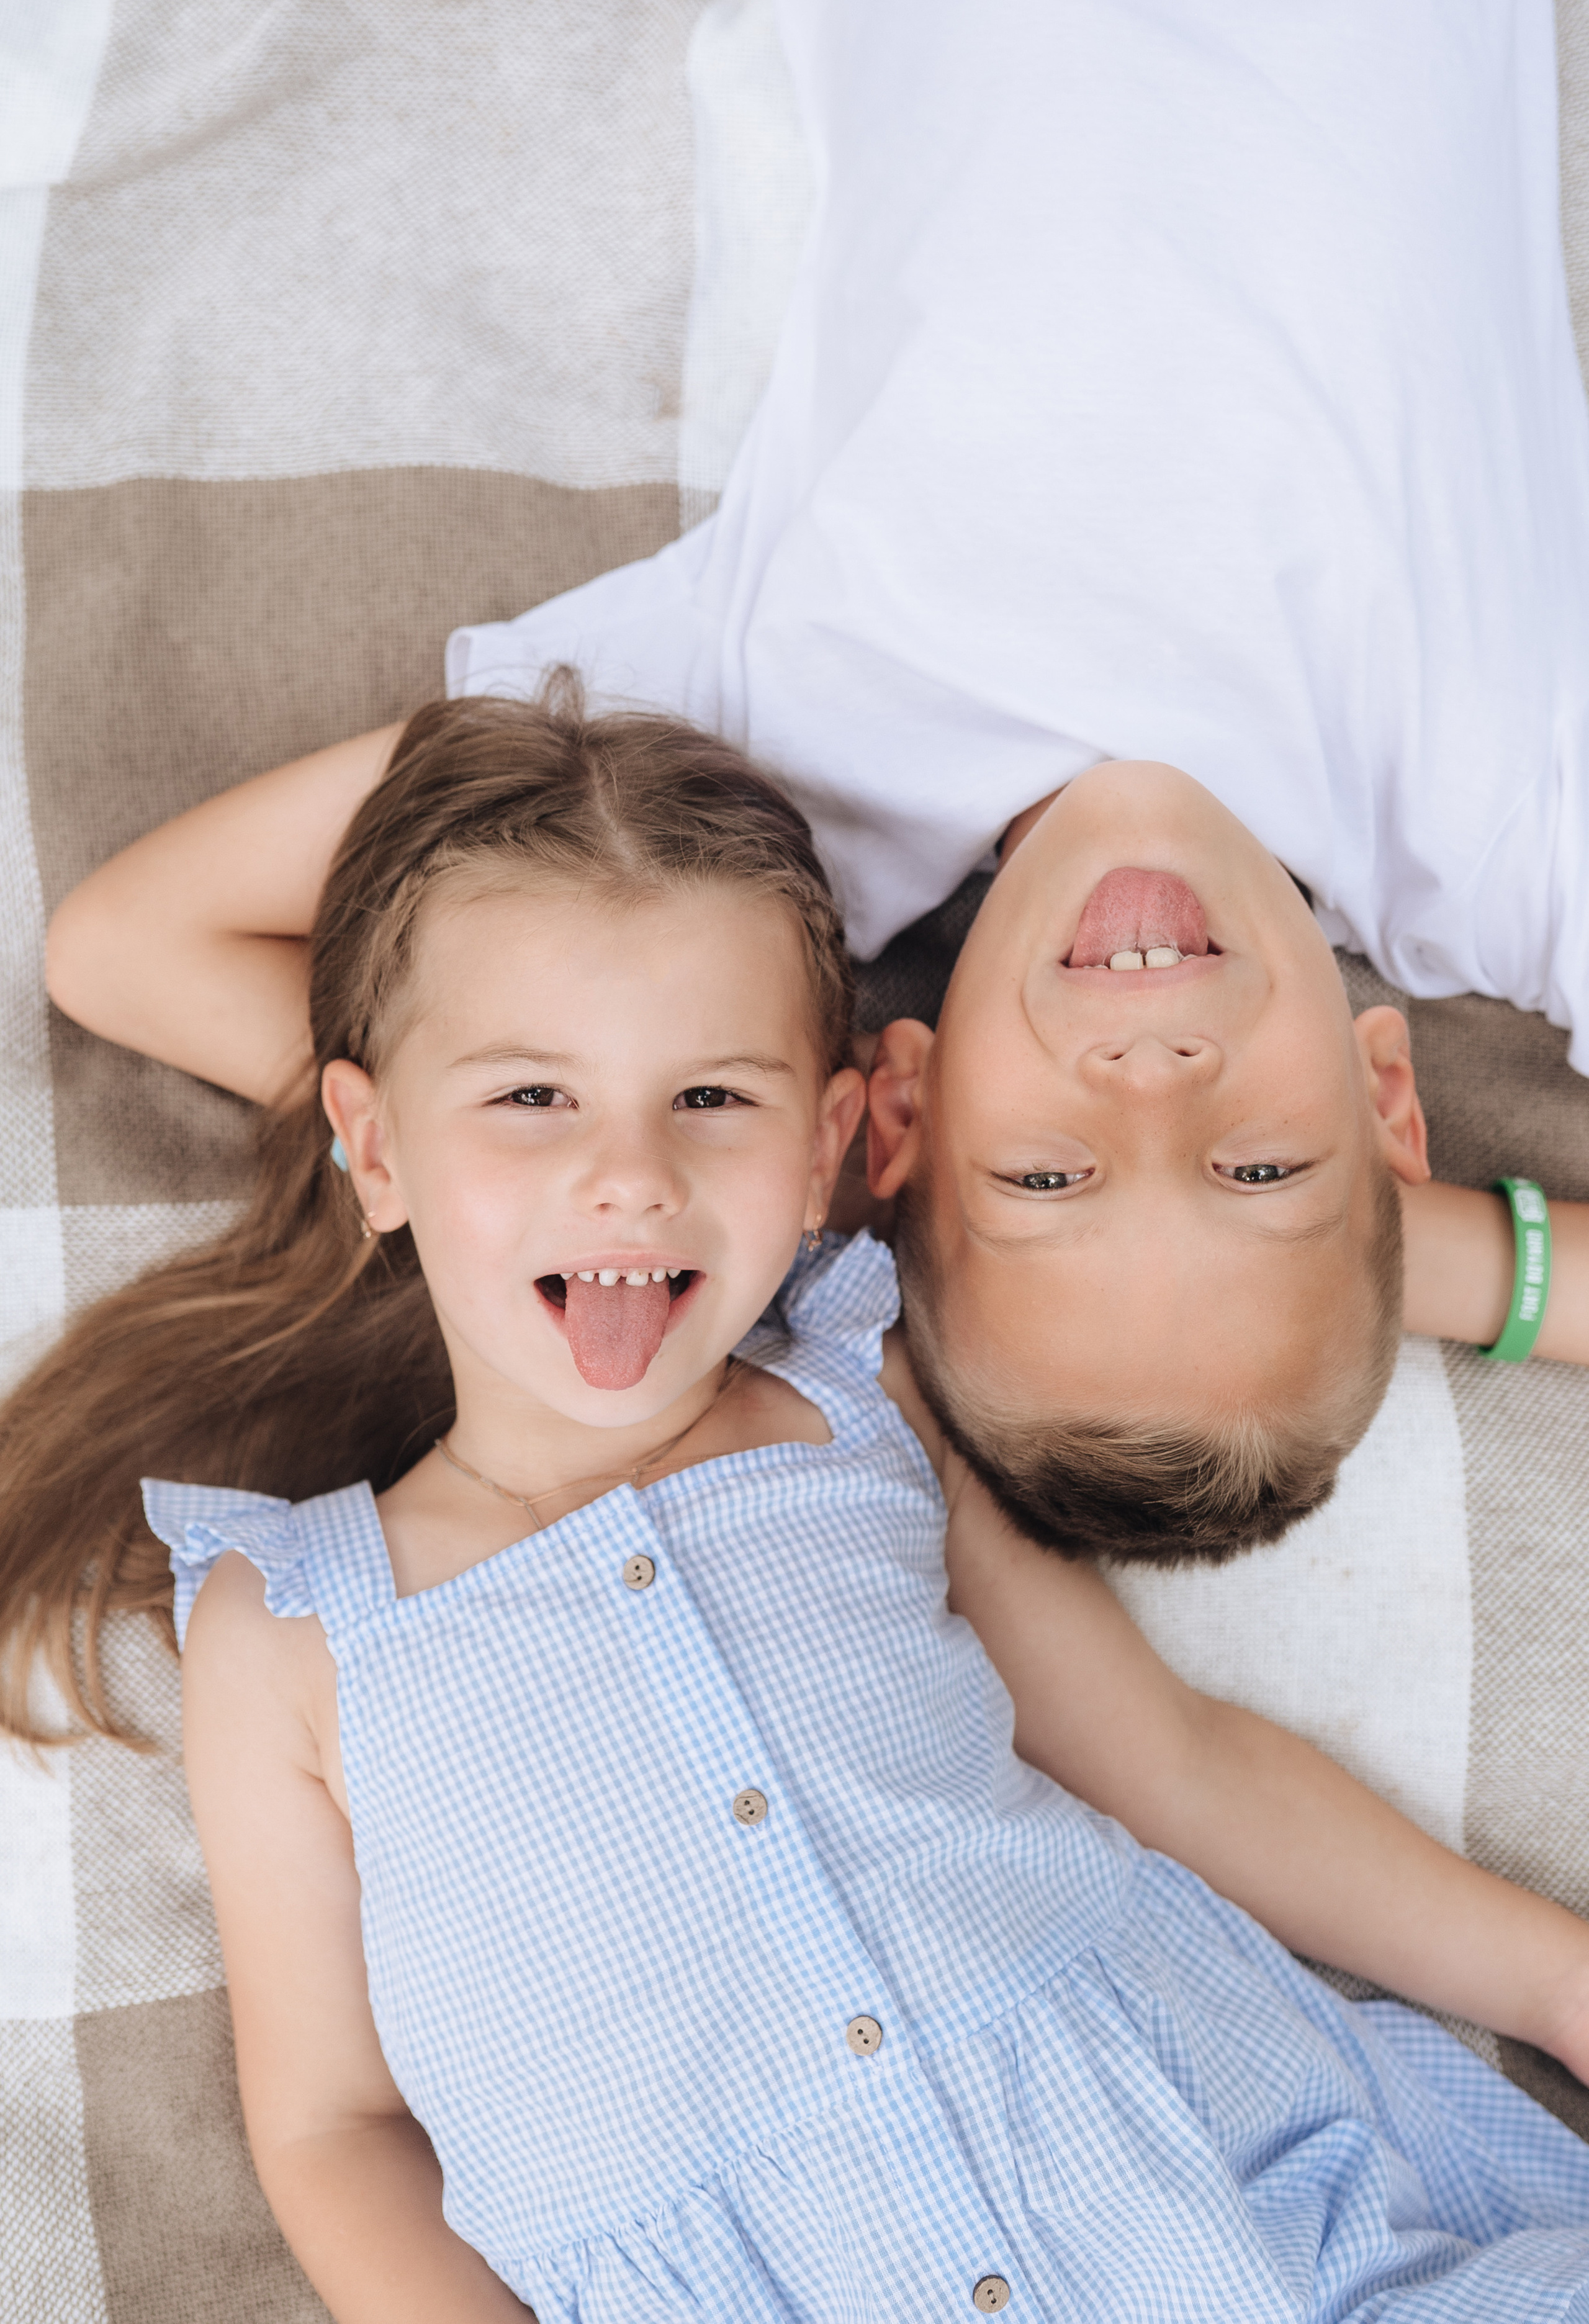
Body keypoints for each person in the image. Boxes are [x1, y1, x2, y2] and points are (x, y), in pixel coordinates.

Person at [22, 683, 1589, 2322]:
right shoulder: (291, 1629)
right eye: (532, 1098)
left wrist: (1559, 1981)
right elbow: (337, 2131)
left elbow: (1177, 1765)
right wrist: (546, 745)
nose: (629, 1172)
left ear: (842, 1133)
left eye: (712, 1097)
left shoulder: (865, 1395)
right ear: (378, 1145)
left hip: (1249, 2238)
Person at [43, 0, 1589, 1561]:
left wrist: (783, 1174)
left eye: (1050, 1182)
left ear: (893, 1112)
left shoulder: (765, 759)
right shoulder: (1492, 818)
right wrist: (1427, 1255)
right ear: (1386, 1097)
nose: (1155, 1085)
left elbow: (133, 948)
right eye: (1260, 1164)